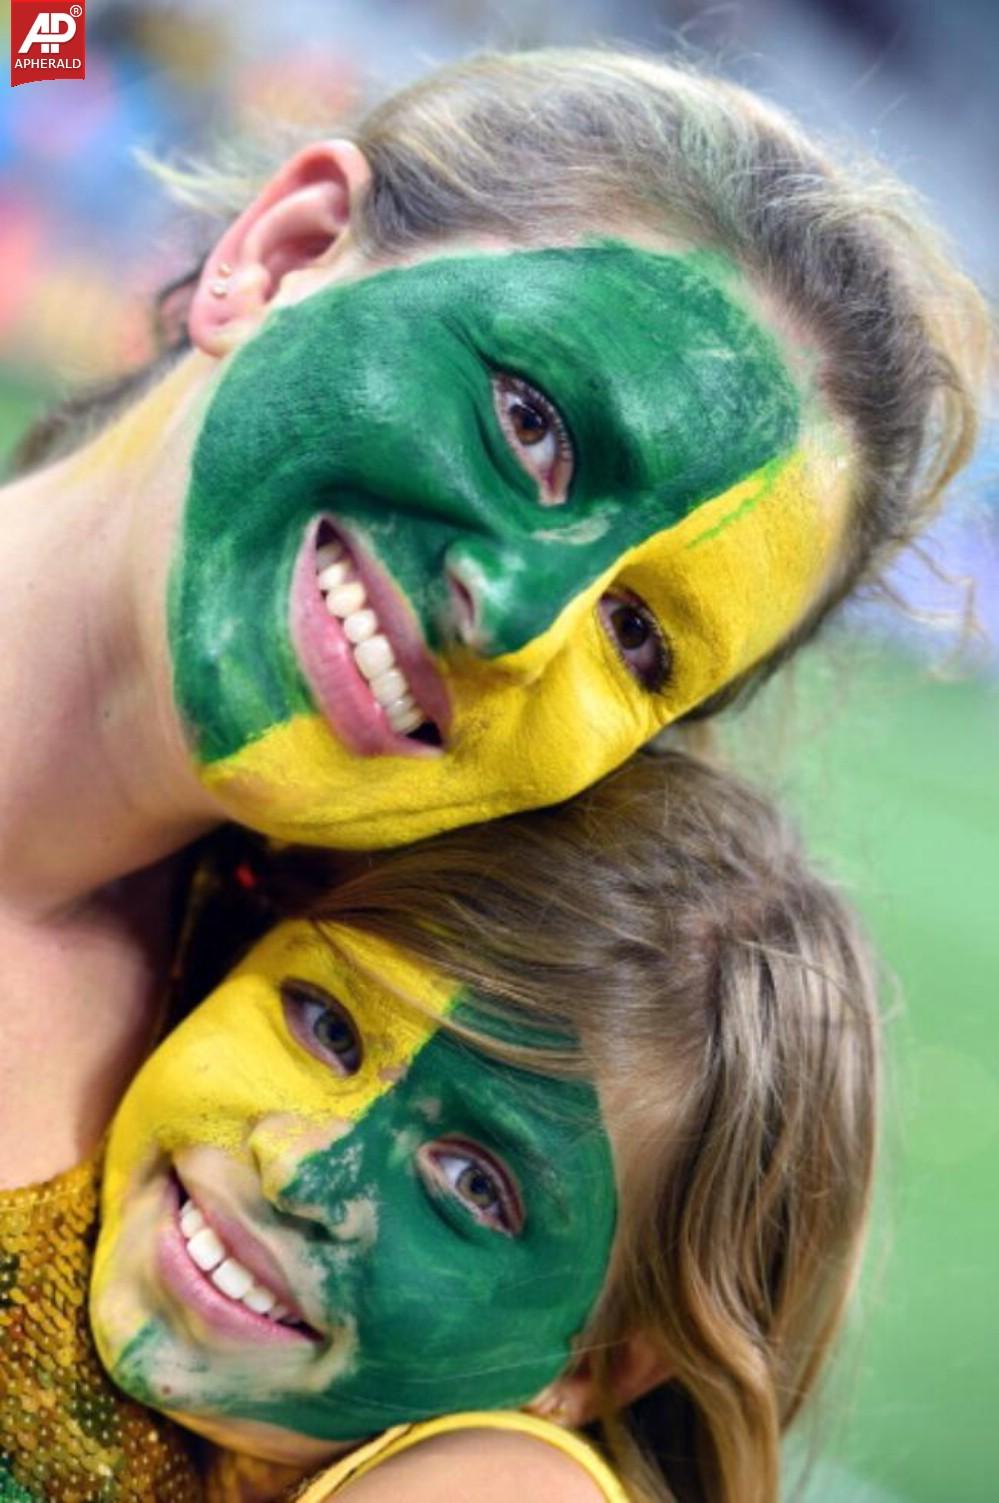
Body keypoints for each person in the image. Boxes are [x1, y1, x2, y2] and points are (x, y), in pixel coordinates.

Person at [0, 48, 982, 1194]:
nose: (515, 624)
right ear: (288, 253)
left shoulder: (327, 1166)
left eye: (635, 637)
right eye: (531, 426)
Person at [1, 752, 881, 1503]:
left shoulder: (520, 1484)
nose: (302, 1171)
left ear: (595, 1370)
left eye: (473, 1186)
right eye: (328, 1027)